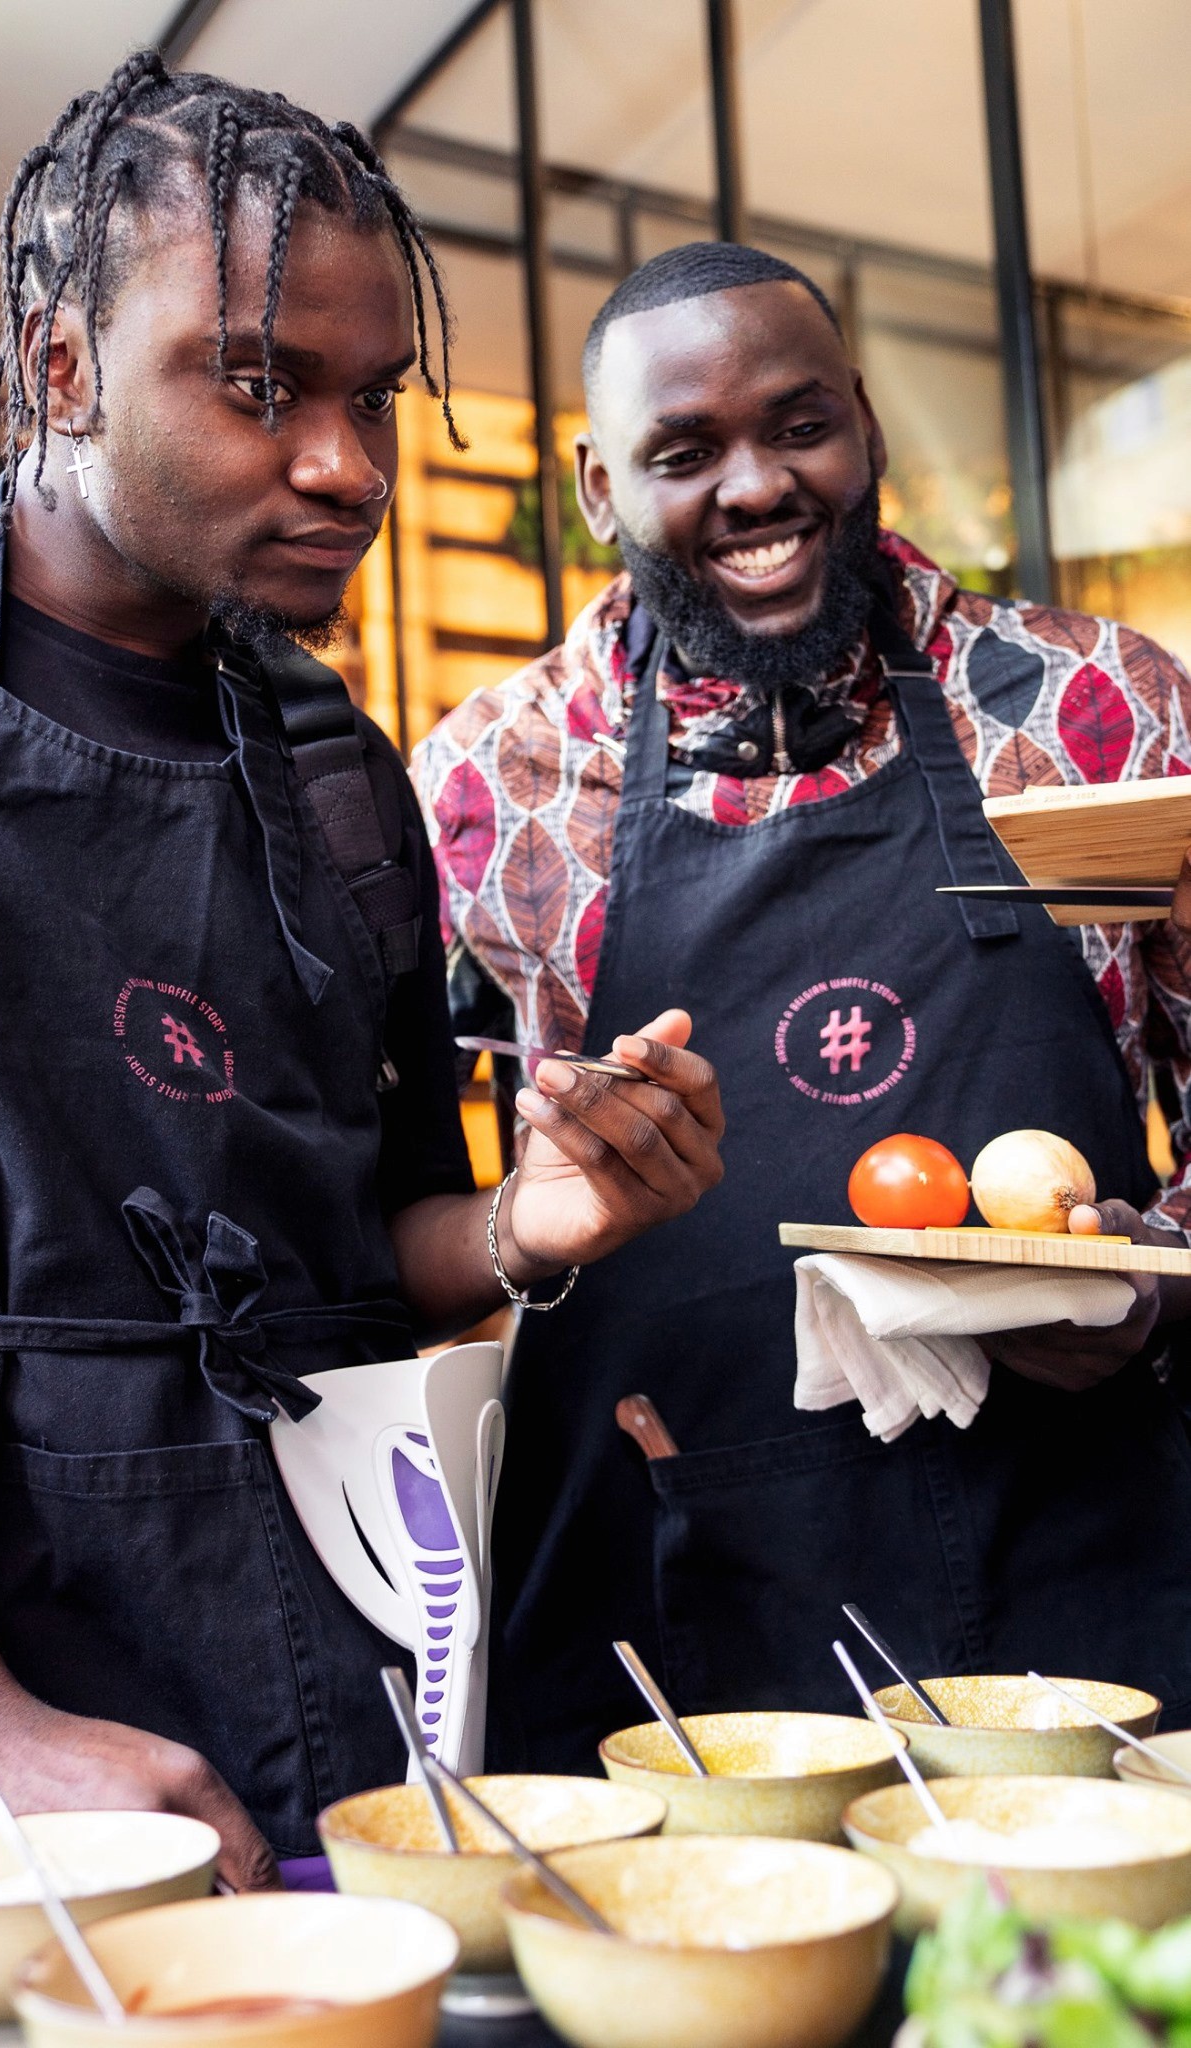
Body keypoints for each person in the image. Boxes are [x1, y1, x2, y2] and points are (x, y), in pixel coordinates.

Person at [0, 58, 725, 1882]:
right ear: (62, 362)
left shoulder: (334, 770)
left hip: (314, 1725)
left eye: (373, 396)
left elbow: (354, 1265)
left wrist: (523, 1228)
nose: (352, 465)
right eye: (259, 386)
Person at [414, 240, 1191, 1775]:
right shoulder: (484, 787)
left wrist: (1154, 1287)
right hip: (676, 1571)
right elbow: (391, 1209)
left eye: (798, 424)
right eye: (683, 451)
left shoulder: (1102, 708)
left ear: (869, 427)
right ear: (594, 489)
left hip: (1082, 1552)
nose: (754, 485)